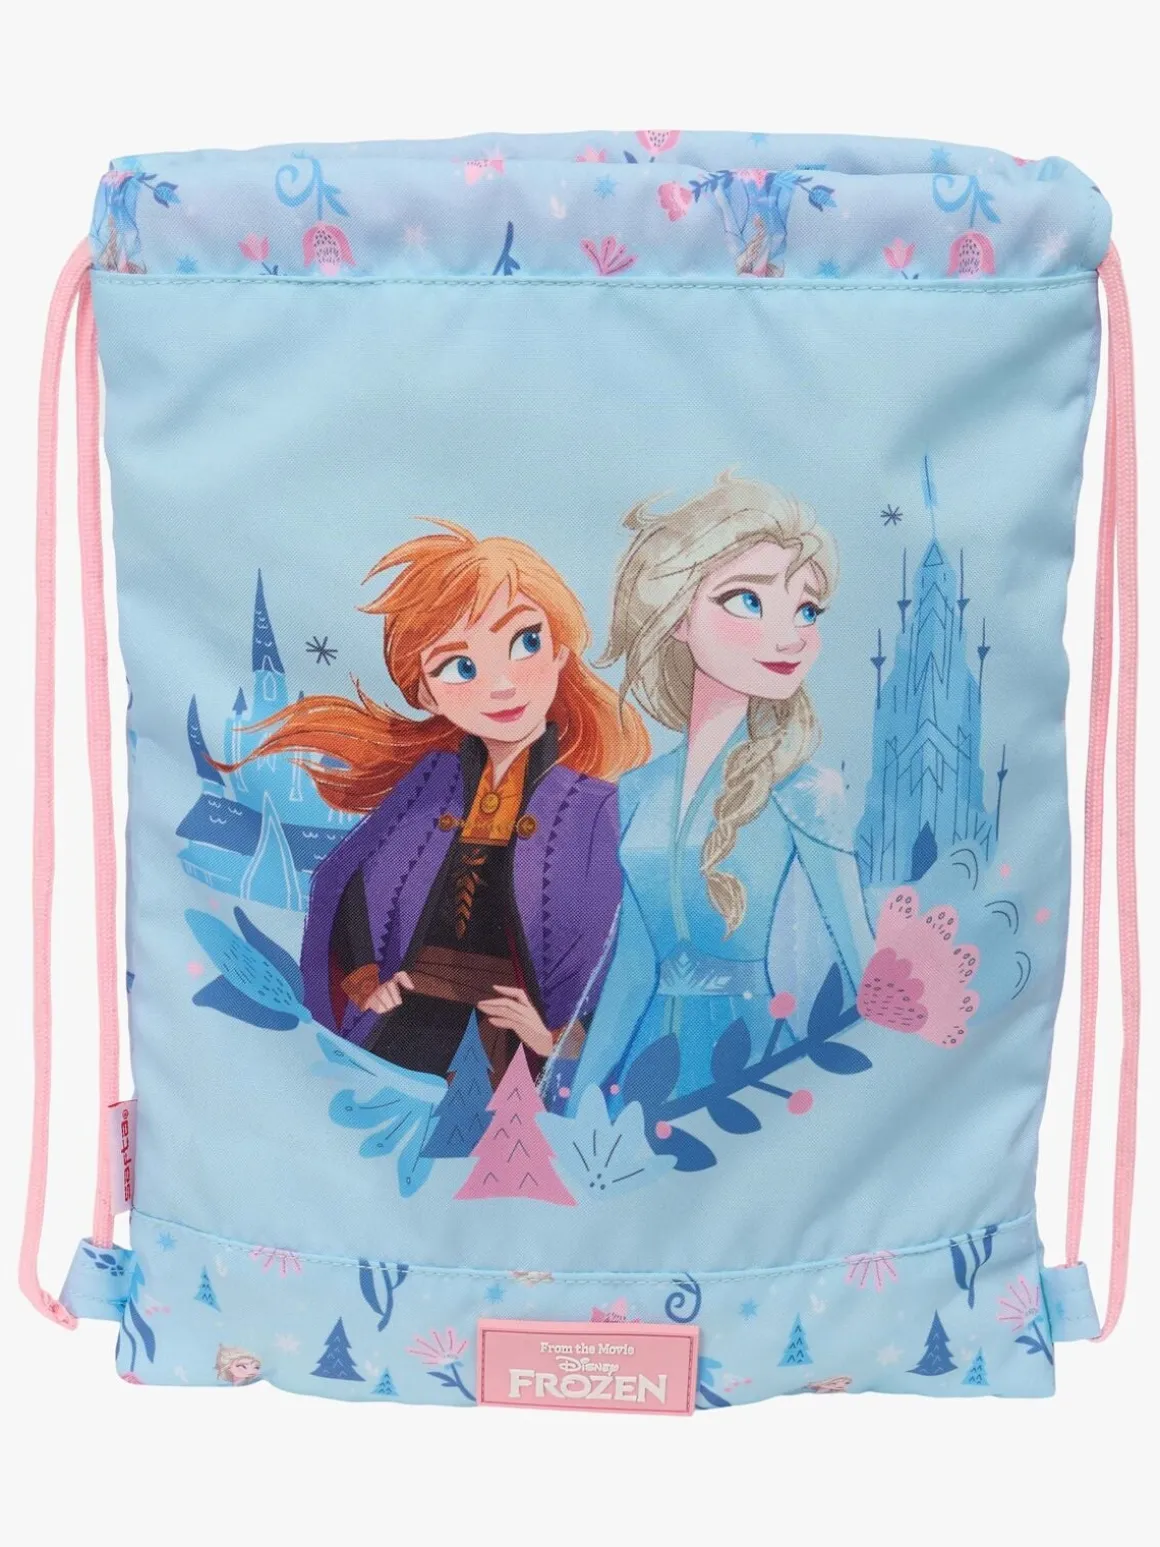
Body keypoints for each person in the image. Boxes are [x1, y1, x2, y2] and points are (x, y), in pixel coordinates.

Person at [240, 520, 648, 1086]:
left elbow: (626, 949)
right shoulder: (431, 782)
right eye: (461, 667)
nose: (501, 685)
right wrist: (364, 981)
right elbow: (349, 880)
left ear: (560, 650)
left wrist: (559, 1036)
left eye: (525, 642)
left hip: (516, 1040)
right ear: (427, 693)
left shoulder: (596, 807)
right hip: (411, 1021)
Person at [569, 472, 873, 1104]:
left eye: (807, 610)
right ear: (678, 615)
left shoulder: (809, 791)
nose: (790, 636)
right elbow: (632, 970)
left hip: (751, 1060)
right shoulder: (638, 790)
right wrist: (577, 1106)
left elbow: (861, 965)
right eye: (748, 601)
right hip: (642, 1062)